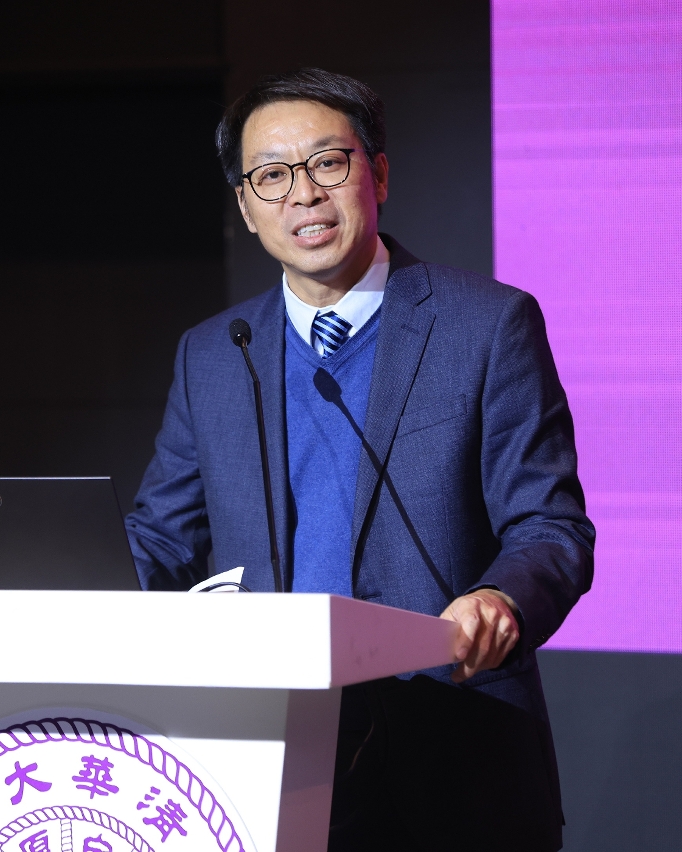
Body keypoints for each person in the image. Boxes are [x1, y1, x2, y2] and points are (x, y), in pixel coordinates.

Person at [125, 68, 594, 850]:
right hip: (274, 751)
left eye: (326, 163)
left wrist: (499, 600)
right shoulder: (213, 353)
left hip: (455, 737)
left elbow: (550, 528)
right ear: (245, 205)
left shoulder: (486, 325)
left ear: (376, 174)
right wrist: (56, 595)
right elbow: (162, 538)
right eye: (271, 176)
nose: (302, 194)